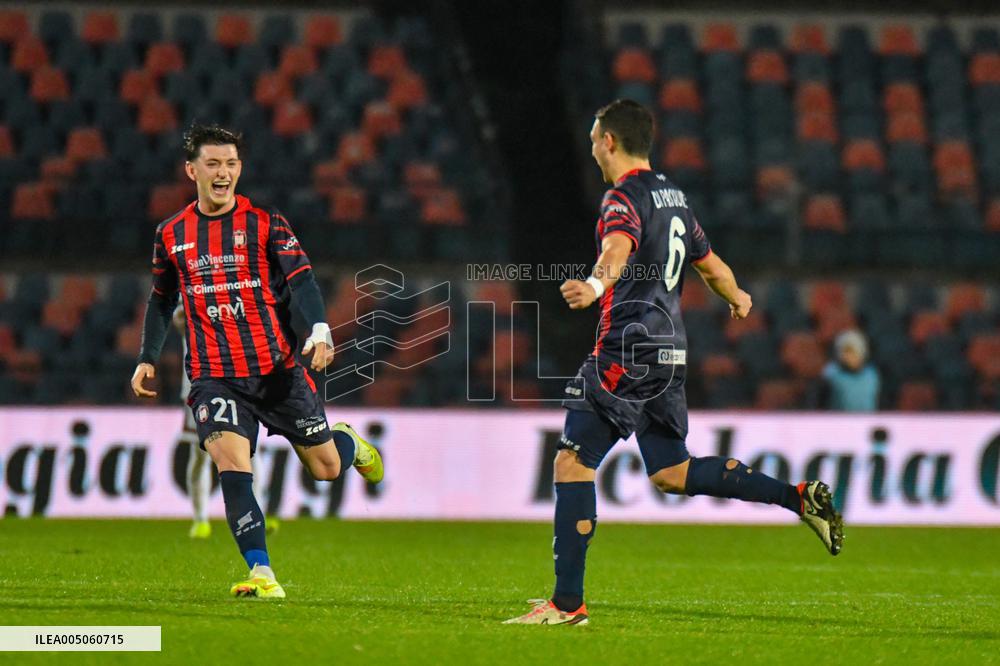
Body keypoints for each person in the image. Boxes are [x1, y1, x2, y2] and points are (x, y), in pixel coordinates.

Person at [505, 100, 843, 626]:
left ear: (610, 142)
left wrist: (595, 284)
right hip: (669, 353)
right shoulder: (675, 197)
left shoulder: (623, 197)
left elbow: (617, 248)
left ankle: (567, 605)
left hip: (628, 351)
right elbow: (711, 264)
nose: (593, 147)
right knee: (672, 472)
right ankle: (798, 498)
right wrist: (739, 297)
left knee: (572, 462)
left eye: (596, 138)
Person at [131, 123, 384, 599]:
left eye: (231, 163)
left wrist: (320, 329)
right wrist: (147, 358)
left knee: (326, 467)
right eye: (213, 164)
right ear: (192, 171)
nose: (223, 172)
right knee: (232, 464)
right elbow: (162, 299)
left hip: (277, 370)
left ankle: (349, 443)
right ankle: (261, 572)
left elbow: (303, 280)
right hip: (214, 378)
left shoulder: (265, 223)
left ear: (239, 169)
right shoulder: (171, 234)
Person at [173, 305, 279, 539]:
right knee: (199, 454)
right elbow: (179, 319)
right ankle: (200, 519)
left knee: (251, 451)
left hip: (238, 382)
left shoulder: (233, 288)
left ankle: (257, 512)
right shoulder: (193, 286)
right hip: (198, 386)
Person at [822, 329, 880, 411]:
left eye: (851, 352)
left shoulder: (872, 376)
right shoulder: (830, 375)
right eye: (844, 352)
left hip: (867, 421)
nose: (847, 356)